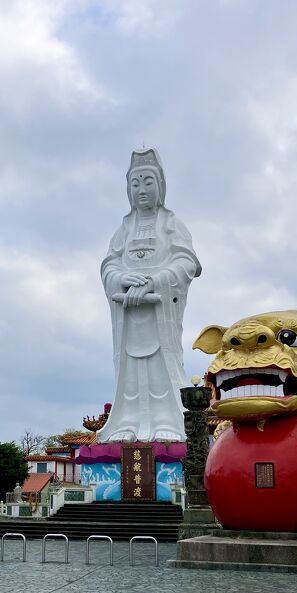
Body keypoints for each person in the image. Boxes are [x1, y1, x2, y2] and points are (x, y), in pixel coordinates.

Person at [97, 148, 201, 443]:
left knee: (159, 364)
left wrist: (155, 281)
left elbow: (187, 263)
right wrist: (121, 279)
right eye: (135, 183)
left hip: (160, 312)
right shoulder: (124, 228)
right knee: (130, 369)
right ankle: (126, 422)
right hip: (130, 314)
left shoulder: (171, 224)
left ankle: (166, 419)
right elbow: (109, 264)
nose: (141, 189)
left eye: (148, 182)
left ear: (161, 187)